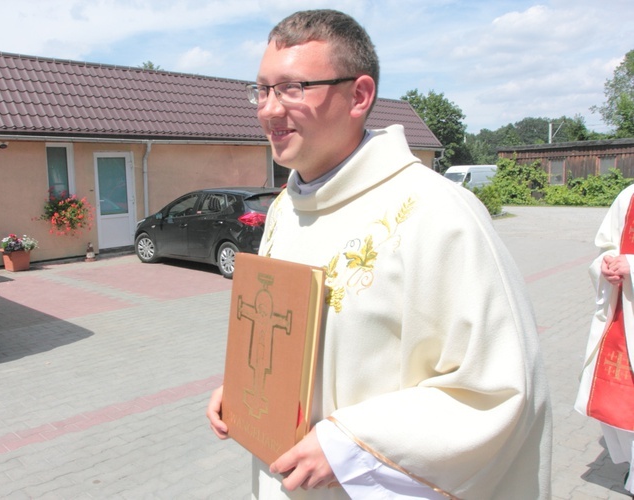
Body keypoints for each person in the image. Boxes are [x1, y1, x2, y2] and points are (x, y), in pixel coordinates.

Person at [207, 9, 551, 499]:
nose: (268, 109)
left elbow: (498, 393)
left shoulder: (437, 213)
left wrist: (354, 445)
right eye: (261, 90)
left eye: (291, 88)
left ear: (360, 95)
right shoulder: (285, 208)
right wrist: (247, 394)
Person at [575, 183, 634, 495]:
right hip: (626, 317)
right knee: (625, 402)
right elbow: (606, 248)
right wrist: (608, 265)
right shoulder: (629, 196)